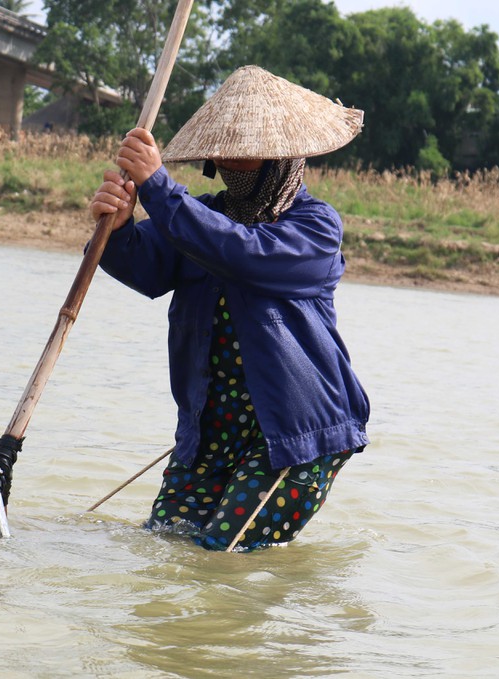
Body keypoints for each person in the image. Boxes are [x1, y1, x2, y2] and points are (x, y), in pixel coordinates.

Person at [89, 65, 370, 551]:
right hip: (209, 434)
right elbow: (147, 267)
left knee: (219, 556)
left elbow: (243, 254)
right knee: (163, 551)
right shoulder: (201, 217)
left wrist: (159, 187)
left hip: (293, 439)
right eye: (225, 159)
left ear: (282, 161)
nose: (231, 168)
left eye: (247, 160)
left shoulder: (316, 227)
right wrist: (115, 228)